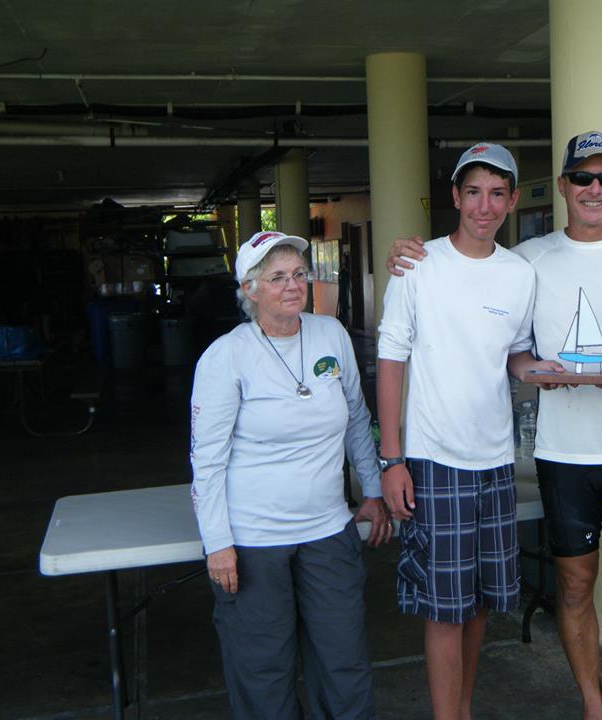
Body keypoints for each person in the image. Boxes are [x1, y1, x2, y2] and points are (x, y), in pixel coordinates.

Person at [387, 130, 602, 720]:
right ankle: (594, 707)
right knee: (573, 590)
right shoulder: (527, 260)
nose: (594, 188)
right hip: (562, 457)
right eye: (582, 177)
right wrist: (407, 254)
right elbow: (501, 331)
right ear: (562, 186)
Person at [377, 143, 563, 720]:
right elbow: (391, 359)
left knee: (480, 601)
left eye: (497, 194)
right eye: (474, 192)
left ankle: (462, 709)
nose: (485, 206)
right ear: (455, 196)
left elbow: (514, 356)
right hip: (434, 460)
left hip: (495, 461)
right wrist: (392, 460)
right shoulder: (417, 265)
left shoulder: (518, 274)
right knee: (444, 609)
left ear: (512, 200)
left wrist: (551, 372)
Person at [191, 230, 392, 720]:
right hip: (254, 541)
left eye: (299, 274)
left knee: (343, 661)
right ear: (249, 289)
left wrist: (371, 488)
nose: (293, 285)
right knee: (263, 670)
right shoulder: (226, 356)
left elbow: (356, 417)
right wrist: (217, 542)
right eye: (277, 277)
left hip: (327, 529)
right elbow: (207, 459)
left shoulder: (330, 334)